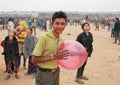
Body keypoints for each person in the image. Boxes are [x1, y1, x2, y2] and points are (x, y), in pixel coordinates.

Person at [32, 11, 69, 85]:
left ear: (65, 25)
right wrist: (54, 57)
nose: (59, 26)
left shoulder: (61, 39)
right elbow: (34, 59)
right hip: (44, 74)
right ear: (52, 24)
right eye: (57, 23)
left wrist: (82, 53)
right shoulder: (44, 38)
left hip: (56, 71)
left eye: (62, 24)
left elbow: (64, 54)